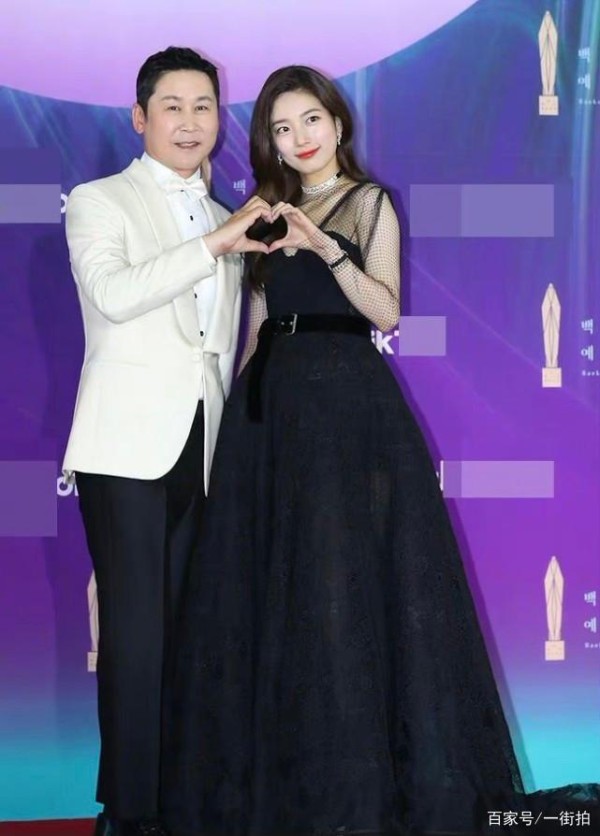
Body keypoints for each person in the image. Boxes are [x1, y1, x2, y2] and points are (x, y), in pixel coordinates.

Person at [161, 66, 526, 835]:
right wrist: (237, 425)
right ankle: (282, 790)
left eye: (309, 120)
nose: (298, 138)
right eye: (281, 128)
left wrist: (325, 247)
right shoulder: (263, 214)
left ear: (337, 122)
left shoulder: (369, 203)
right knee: (271, 597)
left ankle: (356, 797)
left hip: (349, 411)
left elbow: (384, 310)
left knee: (343, 589)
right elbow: (254, 325)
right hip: (271, 415)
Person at [62, 46, 270, 836]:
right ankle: (130, 811)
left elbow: (224, 343)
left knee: (188, 633)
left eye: (204, 106)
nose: (189, 121)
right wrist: (214, 246)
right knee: (136, 635)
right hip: (125, 447)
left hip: (203, 446)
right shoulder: (99, 200)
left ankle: (178, 799)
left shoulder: (223, 216)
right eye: (173, 106)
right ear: (140, 116)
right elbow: (112, 295)